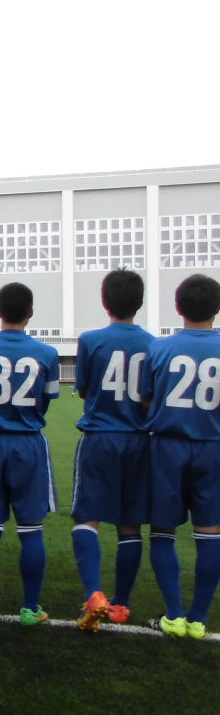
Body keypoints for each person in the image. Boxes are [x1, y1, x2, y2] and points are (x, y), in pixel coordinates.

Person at [0, 282, 60, 625]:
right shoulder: (47, 354)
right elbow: (46, 401)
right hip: (29, 443)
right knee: (31, 529)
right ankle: (31, 608)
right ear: (30, 314)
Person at [70, 270, 153, 631]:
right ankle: (120, 604)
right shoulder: (154, 343)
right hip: (138, 440)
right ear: (140, 301)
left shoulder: (91, 340)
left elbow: (85, 390)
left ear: (105, 302)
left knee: (87, 518)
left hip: (100, 437)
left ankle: (94, 593)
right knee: (129, 523)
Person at [141, 274, 220, 639]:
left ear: (178, 307)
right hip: (213, 448)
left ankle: (173, 615)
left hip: (167, 447)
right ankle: (198, 618)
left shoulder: (159, 348)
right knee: (210, 535)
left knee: (162, 532)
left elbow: (145, 398)